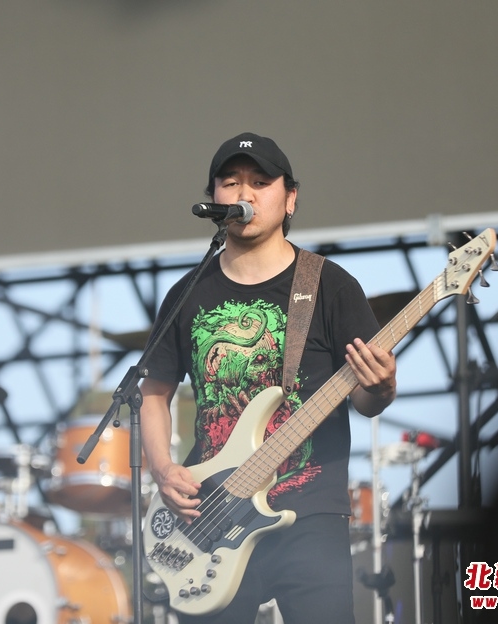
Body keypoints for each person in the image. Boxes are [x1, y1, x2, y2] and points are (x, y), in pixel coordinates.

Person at [139, 132, 398, 624]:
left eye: (261, 182)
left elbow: (365, 400)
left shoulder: (330, 285)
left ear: (290, 198)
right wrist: (162, 469)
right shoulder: (187, 293)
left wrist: (381, 387)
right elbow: (153, 392)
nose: (245, 193)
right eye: (231, 182)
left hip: (310, 514)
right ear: (214, 198)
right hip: (211, 517)